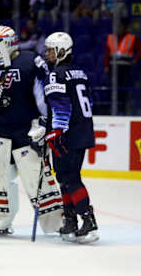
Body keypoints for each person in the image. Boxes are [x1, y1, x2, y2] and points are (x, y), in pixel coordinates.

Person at [0, 25, 63, 236]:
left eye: (0, 43)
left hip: (27, 129)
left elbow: (42, 94)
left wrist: (45, 122)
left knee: (36, 176)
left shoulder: (30, 60)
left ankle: (55, 221)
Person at [43, 32, 99, 244]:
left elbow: (61, 106)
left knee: (71, 177)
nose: (48, 54)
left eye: (51, 50)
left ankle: (88, 221)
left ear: (61, 51)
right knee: (65, 177)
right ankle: (70, 220)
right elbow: (88, 103)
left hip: (68, 134)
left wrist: (56, 130)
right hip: (82, 131)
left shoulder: (56, 75)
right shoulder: (80, 73)